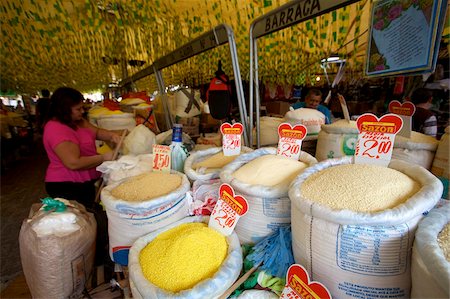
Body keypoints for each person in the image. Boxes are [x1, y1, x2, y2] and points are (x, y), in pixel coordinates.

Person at [41, 87, 122, 209]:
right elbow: (73, 163)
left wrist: (111, 136)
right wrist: (103, 157)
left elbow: (96, 132)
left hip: (84, 182)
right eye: (78, 109)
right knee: (83, 217)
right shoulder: (56, 129)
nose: (82, 111)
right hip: (68, 185)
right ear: (64, 109)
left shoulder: (77, 121)